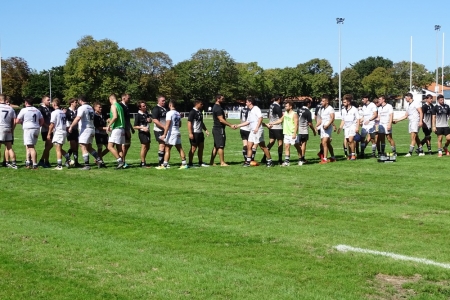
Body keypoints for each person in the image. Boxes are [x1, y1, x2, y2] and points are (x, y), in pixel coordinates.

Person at [68, 95, 104, 170]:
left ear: (80, 100)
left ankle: (87, 165)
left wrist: (71, 126)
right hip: (92, 128)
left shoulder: (82, 108)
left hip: (85, 129)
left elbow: (78, 118)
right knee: (89, 147)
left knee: (82, 146)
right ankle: (99, 160)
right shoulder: (90, 107)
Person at [235, 96, 273, 167]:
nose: (245, 103)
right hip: (252, 131)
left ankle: (269, 160)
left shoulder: (256, 109)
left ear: (250, 102)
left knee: (262, 147)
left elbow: (260, 118)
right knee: (249, 146)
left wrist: (257, 128)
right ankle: (248, 162)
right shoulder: (250, 111)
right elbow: (248, 122)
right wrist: (238, 125)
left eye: (246, 102)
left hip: (258, 130)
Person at [157, 100, 188, 169]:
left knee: (167, 148)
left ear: (170, 105)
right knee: (179, 148)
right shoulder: (177, 113)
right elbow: (179, 124)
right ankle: (184, 163)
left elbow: (167, 125)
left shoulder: (169, 113)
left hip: (172, 133)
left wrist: (164, 134)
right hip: (177, 131)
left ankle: (164, 165)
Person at [268, 100, 300, 166]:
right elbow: (280, 120)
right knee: (286, 146)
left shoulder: (294, 114)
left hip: (292, 133)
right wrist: (272, 123)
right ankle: (287, 161)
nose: (285, 107)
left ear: (290, 107)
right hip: (286, 133)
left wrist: (294, 133)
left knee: (297, 147)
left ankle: (301, 159)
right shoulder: (285, 113)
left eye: (286, 106)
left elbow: (296, 124)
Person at [15, 97, 44, 169]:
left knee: (31, 147)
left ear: (26, 102)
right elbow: (42, 121)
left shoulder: (24, 110)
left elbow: (17, 121)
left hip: (28, 129)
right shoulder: (37, 110)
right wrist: (37, 126)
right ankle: (28, 162)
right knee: (28, 146)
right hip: (36, 128)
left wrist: (22, 122)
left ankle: (34, 164)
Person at [209, 94, 236, 166]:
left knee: (216, 146)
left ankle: (211, 162)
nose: (224, 100)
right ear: (218, 99)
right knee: (220, 146)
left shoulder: (216, 107)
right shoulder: (218, 108)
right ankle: (222, 162)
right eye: (222, 99)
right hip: (219, 129)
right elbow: (221, 120)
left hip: (216, 129)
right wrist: (230, 125)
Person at [47, 98, 71, 170]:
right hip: (63, 131)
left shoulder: (54, 113)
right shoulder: (62, 112)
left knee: (58, 149)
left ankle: (59, 165)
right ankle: (68, 158)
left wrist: (48, 133)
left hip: (58, 132)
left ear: (54, 104)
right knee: (59, 148)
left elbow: (52, 124)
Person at [337, 94, 360, 160]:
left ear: (349, 102)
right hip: (346, 127)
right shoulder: (343, 110)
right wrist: (340, 128)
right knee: (348, 141)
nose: (343, 103)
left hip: (353, 126)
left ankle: (353, 154)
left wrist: (357, 127)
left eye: (344, 102)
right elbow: (343, 120)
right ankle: (350, 154)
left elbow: (358, 119)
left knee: (350, 140)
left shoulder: (354, 109)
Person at [187, 99, 209, 167]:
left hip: (200, 133)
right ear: (197, 104)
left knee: (201, 147)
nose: (202, 105)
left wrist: (205, 130)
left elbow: (201, 122)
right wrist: (190, 133)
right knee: (193, 148)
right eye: (201, 104)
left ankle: (200, 162)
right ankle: (190, 163)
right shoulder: (192, 112)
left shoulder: (199, 112)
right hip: (195, 133)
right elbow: (189, 122)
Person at [106, 94, 125, 169]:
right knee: (119, 147)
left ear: (111, 99)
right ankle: (122, 163)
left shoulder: (113, 106)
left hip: (116, 129)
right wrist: (110, 120)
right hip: (122, 128)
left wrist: (109, 125)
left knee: (110, 146)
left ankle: (119, 161)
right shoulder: (120, 106)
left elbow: (115, 116)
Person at [315, 95, 336, 164]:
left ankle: (325, 159)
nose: (321, 102)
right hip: (322, 127)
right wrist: (316, 125)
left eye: (323, 101)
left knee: (324, 142)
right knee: (327, 143)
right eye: (321, 101)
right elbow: (321, 119)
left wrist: (328, 125)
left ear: (327, 102)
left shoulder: (330, 109)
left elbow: (332, 118)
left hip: (327, 128)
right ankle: (333, 157)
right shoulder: (322, 109)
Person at [263, 95, 283, 164]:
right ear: (279, 99)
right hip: (277, 126)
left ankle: (264, 157)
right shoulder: (278, 106)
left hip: (271, 126)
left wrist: (270, 122)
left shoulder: (271, 105)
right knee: (280, 143)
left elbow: (269, 115)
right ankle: (280, 160)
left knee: (271, 142)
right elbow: (281, 118)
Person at [296, 98, 317, 164]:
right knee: (303, 143)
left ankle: (300, 158)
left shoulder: (298, 110)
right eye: (310, 103)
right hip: (304, 130)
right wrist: (313, 130)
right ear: (308, 104)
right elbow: (310, 123)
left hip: (297, 130)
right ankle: (302, 158)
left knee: (299, 144)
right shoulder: (308, 112)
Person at [0, 94, 17, 169]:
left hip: (0, 127)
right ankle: (14, 163)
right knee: (9, 147)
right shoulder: (10, 108)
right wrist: (12, 129)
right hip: (8, 128)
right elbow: (14, 121)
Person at [133, 100, 152, 168]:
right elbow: (135, 126)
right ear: (140, 107)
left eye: (145, 105)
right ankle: (143, 163)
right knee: (144, 147)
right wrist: (143, 128)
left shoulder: (146, 113)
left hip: (147, 132)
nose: (145, 107)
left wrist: (150, 120)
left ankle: (143, 161)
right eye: (143, 106)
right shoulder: (138, 115)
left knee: (148, 147)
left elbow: (150, 120)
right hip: (142, 133)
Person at [38, 95, 54, 167]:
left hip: (51, 129)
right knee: (50, 145)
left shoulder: (51, 108)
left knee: (47, 146)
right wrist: (48, 126)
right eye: (48, 100)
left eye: (49, 100)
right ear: (43, 101)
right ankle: (42, 160)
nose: (49, 101)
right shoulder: (41, 109)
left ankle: (46, 161)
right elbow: (41, 120)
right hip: (45, 129)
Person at [120, 93, 135, 168]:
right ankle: (122, 161)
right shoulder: (121, 106)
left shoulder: (126, 106)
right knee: (124, 145)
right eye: (128, 98)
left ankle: (122, 160)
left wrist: (131, 128)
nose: (129, 100)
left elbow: (127, 119)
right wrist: (126, 130)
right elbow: (123, 120)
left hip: (127, 128)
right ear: (123, 98)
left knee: (128, 145)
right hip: (123, 129)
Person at [152, 95, 167, 167]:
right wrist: (163, 126)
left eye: (164, 100)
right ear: (158, 101)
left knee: (165, 145)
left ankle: (164, 162)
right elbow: (154, 120)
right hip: (158, 130)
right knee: (162, 145)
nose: (164, 102)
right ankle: (160, 163)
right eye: (162, 101)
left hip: (165, 129)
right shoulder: (156, 109)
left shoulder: (165, 108)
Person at [65, 98, 81, 167]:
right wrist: (68, 128)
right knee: (73, 146)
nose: (76, 103)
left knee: (76, 147)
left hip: (76, 130)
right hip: (69, 130)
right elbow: (66, 122)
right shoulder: (67, 112)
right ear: (71, 103)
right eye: (75, 102)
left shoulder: (77, 111)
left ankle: (76, 162)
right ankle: (67, 160)